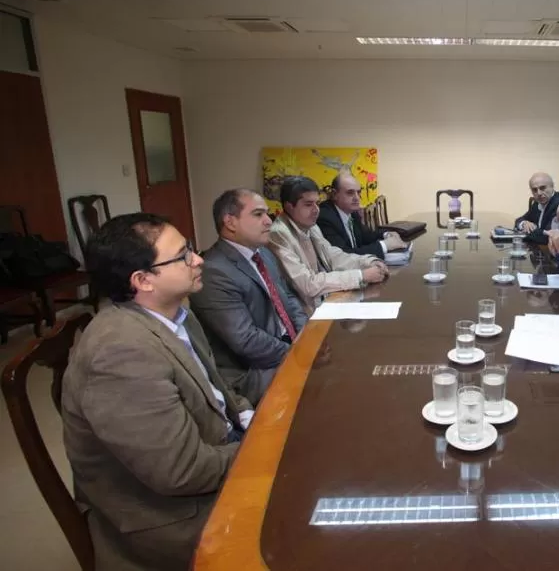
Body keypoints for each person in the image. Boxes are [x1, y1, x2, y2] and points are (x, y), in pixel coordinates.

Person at [61, 213, 253, 571]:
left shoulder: (177, 313)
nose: (198, 259)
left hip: (212, 460)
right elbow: (182, 472)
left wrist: (249, 415)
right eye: (183, 255)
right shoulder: (120, 353)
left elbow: (219, 389)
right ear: (143, 280)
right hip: (171, 517)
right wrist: (263, 450)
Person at [190, 188, 308, 405]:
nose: (268, 221)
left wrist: (306, 334)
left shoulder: (264, 253)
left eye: (267, 214)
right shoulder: (214, 271)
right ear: (230, 222)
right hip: (252, 371)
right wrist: (298, 353)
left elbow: (288, 298)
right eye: (258, 214)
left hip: (285, 344)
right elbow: (245, 340)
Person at [269, 175, 387, 313]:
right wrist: (361, 276)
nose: (316, 210)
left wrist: (369, 261)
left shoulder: (310, 225)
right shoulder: (278, 235)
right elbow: (308, 284)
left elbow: (333, 256)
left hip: (328, 302)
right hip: (306, 314)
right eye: (308, 204)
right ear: (289, 207)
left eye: (317, 203)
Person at [317, 171, 406, 258]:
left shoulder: (352, 212)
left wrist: (387, 234)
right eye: (350, 193)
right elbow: (344, 256)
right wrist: (385, 245)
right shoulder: (325, 217)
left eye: (359, 192)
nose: (357, 198)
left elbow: (367, 236)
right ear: (334, 194)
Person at [514, 172, 559, 244]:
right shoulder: (538, 202)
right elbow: (519, 220)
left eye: (542, 188)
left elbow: (547, 237)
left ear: (552, 186)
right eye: (534, 190)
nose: (539, 193)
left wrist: (528, 230)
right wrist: (524, 224)